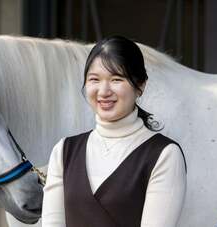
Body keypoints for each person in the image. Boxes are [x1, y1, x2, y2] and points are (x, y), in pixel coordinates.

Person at [41, 36, 187, 227]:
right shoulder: (64, 151)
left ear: (140, 85)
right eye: (94, 79)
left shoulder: (164, 155)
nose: (104, 91)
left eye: (116, 79)